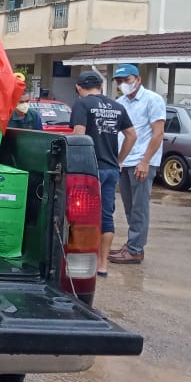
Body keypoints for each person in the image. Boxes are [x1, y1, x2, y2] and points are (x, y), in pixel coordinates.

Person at [70, 70, 136, 277]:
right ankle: (102, 265)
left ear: (79, 87)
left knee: (80, 214)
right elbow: (132, 135)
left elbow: (79, 134)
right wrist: (119, 160)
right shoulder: (117, 106)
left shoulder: (82, 103)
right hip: (110, 169)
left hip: (89, 170)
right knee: (106, 215)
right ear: (100, 86)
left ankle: (80, 259)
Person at [109, 64, 165, 265]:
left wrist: (145, 161)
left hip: (142, 161)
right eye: (119, 81)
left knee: (139, 207)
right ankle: (132, 244)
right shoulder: (120, 102)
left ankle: (135, 249)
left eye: (127, 79)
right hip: (124, 161)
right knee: (129, 206)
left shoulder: (153, 100)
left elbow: (158, 133)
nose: (123, 84)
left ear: (138, 79)